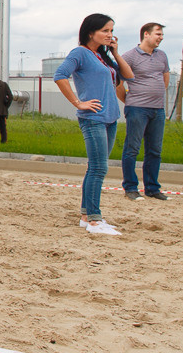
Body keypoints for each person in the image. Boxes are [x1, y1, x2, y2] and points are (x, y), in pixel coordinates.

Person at [53, 13, 134, 236]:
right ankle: (95, 221)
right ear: (91, 32)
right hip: (93, 118)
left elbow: (129, 76)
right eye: (105, 30)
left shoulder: (102, 57)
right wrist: (78, 102)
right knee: (99, 168)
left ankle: (86, 216)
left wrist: (115, 52)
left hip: (110, 118)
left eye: (111, 31)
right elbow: (59, 75)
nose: (110, 34)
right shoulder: (80, 53)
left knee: (96, 168)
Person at [120, 23, 170, 201]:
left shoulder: (162, 55)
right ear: (146, 34)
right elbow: (118, 83)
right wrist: (129, 100)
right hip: (137, 109)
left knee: (155, 150)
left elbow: (165, 77)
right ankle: (131, 188)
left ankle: (152, 188)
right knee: (132, 149)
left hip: (158, 110)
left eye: (162, 34)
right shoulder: (130, 56)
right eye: (158, 33)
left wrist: (156, 95)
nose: (161, 37)